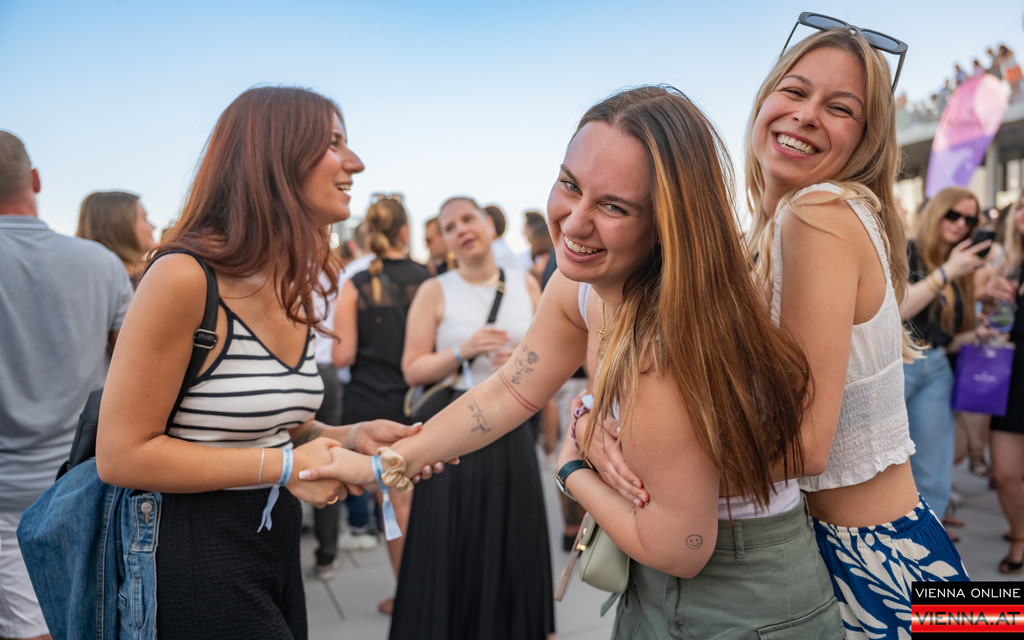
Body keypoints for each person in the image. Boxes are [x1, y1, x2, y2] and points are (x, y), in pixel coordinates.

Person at [304, 86, 842, 638]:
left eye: (614, 207)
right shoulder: (579, 285)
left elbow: (679, 547)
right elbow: (508, 390)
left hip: (743, 596)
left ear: (668, 223)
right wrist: (387, 463)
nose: (573, 222)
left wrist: (571, 467)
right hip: (654, 579)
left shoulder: (664, 345)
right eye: (570, 184)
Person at [94, 86, 420, 639]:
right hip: (196, 554)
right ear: (274, 157)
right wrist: (287, 468)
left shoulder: (291, 280)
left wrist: (350, 435)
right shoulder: (183, 277)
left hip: (274, 539)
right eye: (334, 143)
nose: (355, 162)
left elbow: (281, 427)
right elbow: (122, 455)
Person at [741, 24, 971, 637]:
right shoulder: (775, 232)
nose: (807, 114)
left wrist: (626, 468)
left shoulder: (817, 213)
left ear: (867, 140)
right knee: (993, 621)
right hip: (903, 549)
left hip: (873, 564)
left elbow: (803, 448)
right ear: (764, 99)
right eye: (795, 91)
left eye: (840, 108)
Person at [383, 195, 552, 639]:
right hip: (455, 429)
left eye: (468, 218)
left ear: (489, 225)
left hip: (513, 429)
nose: (461, 229)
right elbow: (412, 368)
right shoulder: (435, 290)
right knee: (453, 540)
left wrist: (520, 360)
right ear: (444, 240)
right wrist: (463, 350)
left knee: (513, 537)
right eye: (450, 226)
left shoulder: (526, 284)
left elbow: (548, 353)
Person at [0, 131, 133, 640]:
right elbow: (135, 373)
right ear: (35, 179)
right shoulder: (100, 262)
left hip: (8, 490)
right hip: (86, 480)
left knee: (33, 628)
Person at [332, 194, 430, 613]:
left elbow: (342, 356)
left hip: (372, 405)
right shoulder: (429, 279)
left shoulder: (356, 283)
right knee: (426, 501)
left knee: (394, 502)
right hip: (421, 402)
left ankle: (409, 595)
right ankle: (437, 587)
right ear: (405, 232)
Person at [899, 187, 990, 533]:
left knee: (934, 465)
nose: (961, 224)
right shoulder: (909, 250)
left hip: (936, 365)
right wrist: (947, 272)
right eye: (953, 214)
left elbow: (949, 338)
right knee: (890, 462)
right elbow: (900, 309)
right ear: (937, 212)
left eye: (969, 219)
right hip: (900, 362)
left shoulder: (960, 264)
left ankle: (930, 535)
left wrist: (981, 331)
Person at [985, 190, 1024, 573]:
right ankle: (1020, 534)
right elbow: (996, 326)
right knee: (1004, 473)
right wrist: (989, 308)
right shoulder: (1009, 266)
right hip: (1011, 381)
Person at [75, 190, 157, 286]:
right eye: (144, 218)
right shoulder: (147, 282)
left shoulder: (84, 283)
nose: (153, 226)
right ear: (122, 226)